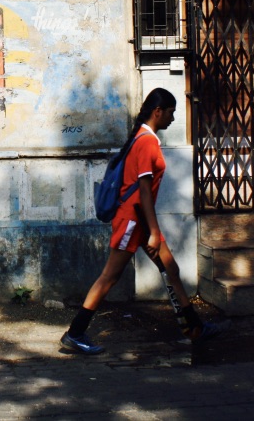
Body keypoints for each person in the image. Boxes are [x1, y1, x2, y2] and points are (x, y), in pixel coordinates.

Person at [60, 87, 228, 355]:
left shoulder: (142, 137)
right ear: (158, 112)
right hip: (133, 222)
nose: (173, 119)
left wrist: (151, 229)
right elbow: (143, 194)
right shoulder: (146, 141)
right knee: (109, 277)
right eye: (171, 113)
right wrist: (152, 231)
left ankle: (194, 329)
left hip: (139, 221)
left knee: (171, 270)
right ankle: (75, 333)